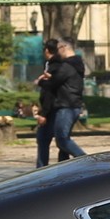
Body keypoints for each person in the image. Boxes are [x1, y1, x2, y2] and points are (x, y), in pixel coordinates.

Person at [36, 36, 87, 167]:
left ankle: (86, 161)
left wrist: (41, 81)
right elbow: (62, 81)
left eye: (58, 49)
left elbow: (53, 84)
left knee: (62, 140)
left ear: (63, 48)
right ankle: (64, 167)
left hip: (66, 106)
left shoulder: (67, 66)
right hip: (71, 105)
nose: (57, 52)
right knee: (61, 140)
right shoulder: (76, 64)